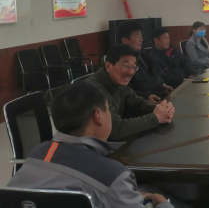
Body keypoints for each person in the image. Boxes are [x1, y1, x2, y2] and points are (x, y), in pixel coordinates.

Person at [8, 81, 176, 208]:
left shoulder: (37, 153)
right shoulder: (112, 175)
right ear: (98, 116)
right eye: (108, 109)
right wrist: (162, 203)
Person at [86, 44, 174, 140]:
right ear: (108, 66)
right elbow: (115, 129)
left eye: (133, 67)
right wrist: (156, 118)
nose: (131, 72)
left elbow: (136, 103)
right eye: (125, 65)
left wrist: (160, 109)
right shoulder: (93, 90)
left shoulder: (117, 81)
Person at [117, 20, 173, 103]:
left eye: (141, 36)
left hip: (158, 94)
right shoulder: (121, 62)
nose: (141, 39)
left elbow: (153, 74)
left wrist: (162, 85)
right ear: (125, 40)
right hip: (143, 101)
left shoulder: (142, 53)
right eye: (137, 36)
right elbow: (126, 91)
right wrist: (147, 96)